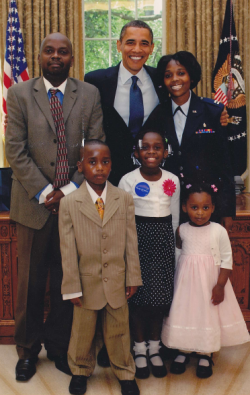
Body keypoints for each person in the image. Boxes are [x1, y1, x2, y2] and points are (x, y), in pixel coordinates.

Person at [5, 32, 104, 381]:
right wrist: (47, 191)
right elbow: (14, 150)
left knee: (67, 282)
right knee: (30, 284)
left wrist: (69, 190)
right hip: (33, 205)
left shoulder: (88, 94)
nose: (56, 56)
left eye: (63, 52)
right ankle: (27, 351)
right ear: (40, 56)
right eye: (49, 51)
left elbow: (95, 146)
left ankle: (62, 347)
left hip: (74, 204)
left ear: (72, 58)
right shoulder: (19, 94)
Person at [59, 140, 142, 395]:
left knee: (119, 330)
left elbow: (131, 241)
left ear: (111, 165)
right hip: (85, 282)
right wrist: (72, 286)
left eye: (105, 162)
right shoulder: (70, 203)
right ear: (80, 166)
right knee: (82, 331)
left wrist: (133, 277)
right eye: (92, 162)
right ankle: (80, 370)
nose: (99, 168)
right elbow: (68, 250)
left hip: (117, 278)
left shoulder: (123, 198)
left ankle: (125, 373)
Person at [161, 183, 250, 378]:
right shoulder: (181, 230)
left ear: (213, 208)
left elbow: (227, 260)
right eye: (194, 207)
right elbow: (178, 254)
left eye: (205, 207)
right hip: (186, 284)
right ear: (185, 207)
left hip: (209, 283)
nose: (200, 213)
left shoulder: (218, 231)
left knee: (206, 314)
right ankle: (183, 349)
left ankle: (205, 353)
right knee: (186, 312)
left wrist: (219, 285)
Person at [143, 51, 235, 230]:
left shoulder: (213, 111)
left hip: (204, 204)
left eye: (181, 73)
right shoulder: (158, 114)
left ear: (191, 76)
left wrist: (226, 210)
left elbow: (225, 163)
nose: (175, 79)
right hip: (167, 203)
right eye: (168, 75)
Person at [118, 130, 180, 379]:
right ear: (136, 153)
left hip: (163, 244)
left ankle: (155, 348)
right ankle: (139, 348)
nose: (151, 152)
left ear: (165, 153)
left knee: (160, 300)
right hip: (137, 244)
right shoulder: (127, 180)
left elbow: (174, 217)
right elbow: (123, 219)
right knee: (137, 300)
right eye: (145, 147)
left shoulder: (172, 179)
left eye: (157, 148)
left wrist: (175, 252)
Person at [84, 20, 160, 186]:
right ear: (119, 45)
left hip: (153, 176)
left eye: (144, 44)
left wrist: (219, 114)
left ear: (152, 48)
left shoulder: (161, 79)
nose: (137, 49)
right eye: (130, 42)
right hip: (109, 176)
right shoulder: (95, 81)